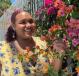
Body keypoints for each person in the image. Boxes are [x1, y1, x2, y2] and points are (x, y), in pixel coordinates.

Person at [0, 9, 66, 76]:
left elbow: (53, 72)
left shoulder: (43, 43)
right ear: (14, 26)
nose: (29, 25)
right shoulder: (2, 48)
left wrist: (59, 53)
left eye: (31, 21)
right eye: (23, 22)